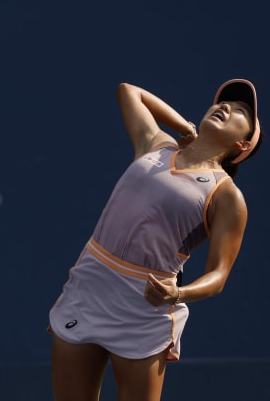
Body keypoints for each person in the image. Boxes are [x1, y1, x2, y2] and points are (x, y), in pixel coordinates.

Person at [48, 79, 263, 401]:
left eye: (241, 111)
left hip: (144, 306)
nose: (226, 107)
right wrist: (184, 127)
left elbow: (219, 276)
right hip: (89, 288)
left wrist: (178, 294)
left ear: (243, 146)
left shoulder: (227, 196)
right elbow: (128, 91)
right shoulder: (157, 145)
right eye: (222, 102)